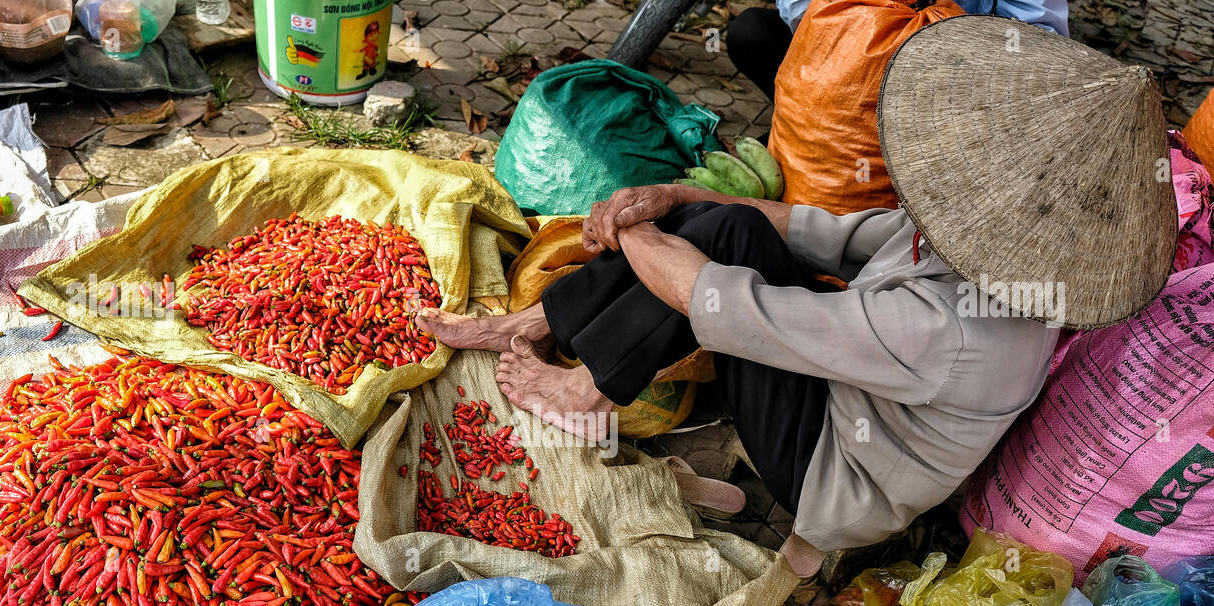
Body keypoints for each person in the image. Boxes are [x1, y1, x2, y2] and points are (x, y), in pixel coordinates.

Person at [417, 17, 1176, 570]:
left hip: (831, 475)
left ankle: (589, 392)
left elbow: (729, 307)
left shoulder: (954, 330)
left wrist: (633, 229)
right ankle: (540, 325)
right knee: (727, 225)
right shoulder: (992, 252)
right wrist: (675, 196)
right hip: (852, 398)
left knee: (715, 252)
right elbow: (823, 232)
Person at [727, 0, 1070, 101]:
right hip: (841, 56)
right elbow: (800, 10)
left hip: (949, 77)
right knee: (752, 32)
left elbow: (1042, 39)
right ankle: (810, 139)